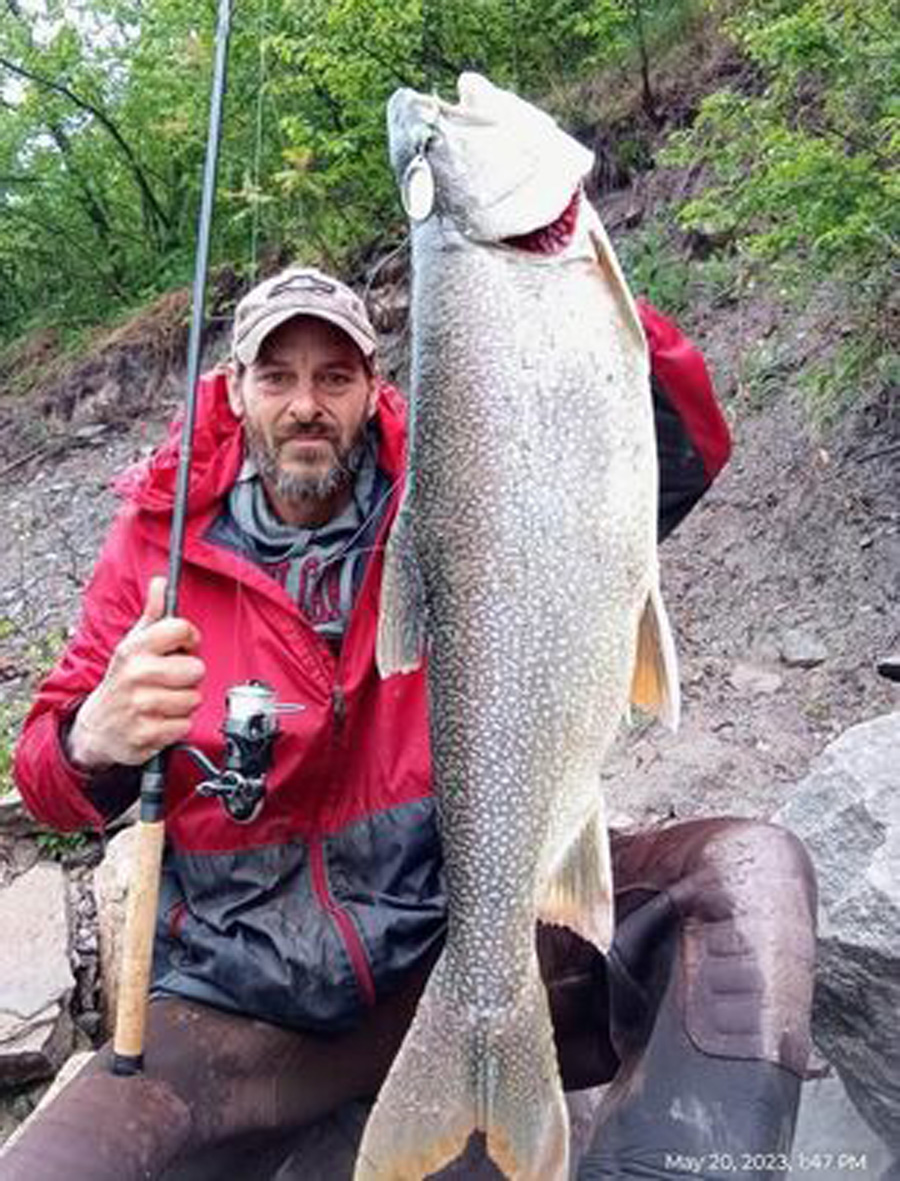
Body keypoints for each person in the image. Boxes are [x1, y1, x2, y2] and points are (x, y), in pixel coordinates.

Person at [4, 266, 816, 1181]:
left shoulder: (456, 492)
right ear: (235, 391)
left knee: (749, 873)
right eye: (278, 377)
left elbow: (671, 446)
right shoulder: (155, 543)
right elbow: (44, 776)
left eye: (335, 377)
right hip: (237, 1015)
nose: (307, 405)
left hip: (465, 941)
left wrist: (568, 268)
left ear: (373, 385)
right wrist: (95, 737)